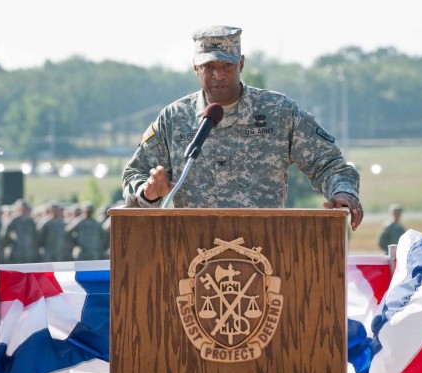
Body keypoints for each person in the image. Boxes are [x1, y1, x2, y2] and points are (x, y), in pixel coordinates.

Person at [122, 25, 362, 230]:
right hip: (191, 248)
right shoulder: (174, 118)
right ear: (196, 67)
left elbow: (328, 162)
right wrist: (149, 192)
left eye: (226, 66)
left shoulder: (277, 111)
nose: (218, 75)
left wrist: (342, 192)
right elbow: (135, 175)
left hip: (264, 246)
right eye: (209, 67)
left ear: (241, 64)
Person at [2, 199, 39, 264]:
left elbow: (35, 236)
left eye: (26, 209)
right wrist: (11, 242)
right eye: (22, 209)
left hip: (28, 252)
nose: (24, 211)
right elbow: (5, 234)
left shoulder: (31, 221)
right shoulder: (14, 220)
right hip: (16, 252)